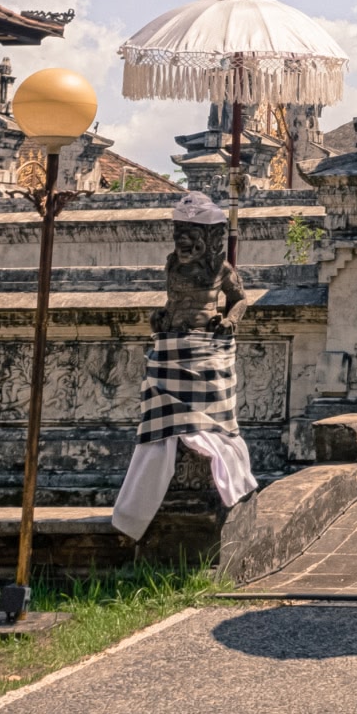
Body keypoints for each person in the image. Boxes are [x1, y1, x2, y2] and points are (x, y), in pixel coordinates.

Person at [111, 192, 258, 540]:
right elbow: (173, 299)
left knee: (204, 418)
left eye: (192, 234)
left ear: (208, 238)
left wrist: (230, 320)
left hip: (204, 347)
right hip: (172, 344)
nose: (184, 242)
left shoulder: (220, 269)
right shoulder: (172, 264)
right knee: (161, 418)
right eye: (180, 233)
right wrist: (162, 315)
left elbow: (240, 299)